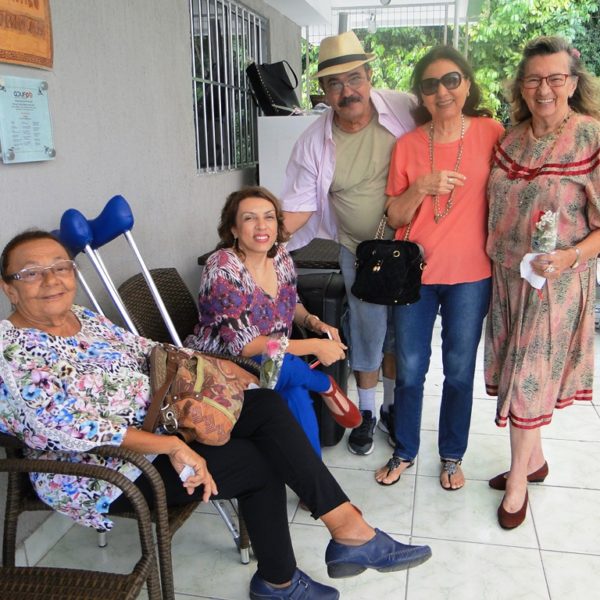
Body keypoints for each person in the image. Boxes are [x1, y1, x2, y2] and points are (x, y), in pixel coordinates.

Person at [0, 230, 432, 599]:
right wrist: (169, 446)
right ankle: (283, 579)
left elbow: (149, 350)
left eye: (60, 267)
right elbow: (67, 428)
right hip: (107, 470)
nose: (51, 280)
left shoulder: (82, 319)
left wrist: (215, 368)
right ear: (9, 289)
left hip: (165, 422)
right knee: (261, 462)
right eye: (31, 273)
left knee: (265, 404)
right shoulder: (13, 351)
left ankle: (345, 529)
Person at [281, 30, 415, 456]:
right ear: (324, 92)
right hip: (358, 251)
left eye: (354, 77)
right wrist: (256, 239)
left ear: (370, 76)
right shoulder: (312, 142)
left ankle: (392, 408)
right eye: (335, 83)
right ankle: (368, 411)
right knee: (367, 334)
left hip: (411, 252)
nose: (347, 90)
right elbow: (298, 208)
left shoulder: (404, 107)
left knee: (401, 337)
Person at [485, 36, 600, 529]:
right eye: (534, 79)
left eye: (555, 78)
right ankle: (534, 460)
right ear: (521, 86)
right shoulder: (509, 141)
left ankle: (517, 482)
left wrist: (571, 255)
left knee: (529, 378)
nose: (544, 89)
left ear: (573, 83)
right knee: (513, 371)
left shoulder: (592, 138)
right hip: (507, 280)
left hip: (557, 285)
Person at [375, 46, 503, 489]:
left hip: (472, 276)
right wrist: (422, 187)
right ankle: (404, 450)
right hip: (415, 277)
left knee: (460, 371)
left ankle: (452, 455)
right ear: (421, 95)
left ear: (467, 84)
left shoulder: (492, 132)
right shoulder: (408, 145)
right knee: (410, 370)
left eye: (451, 80)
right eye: (431, 85)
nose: (442, 91)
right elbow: (394, 215)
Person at [185, 186, 361, 458]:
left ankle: (314, 473)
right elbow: (246, 347)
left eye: (268, 217)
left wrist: (313, 322)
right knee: (284, 366)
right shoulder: (222, 268)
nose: (261, 226)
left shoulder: (279, 257)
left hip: (273, 362)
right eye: (249, 218)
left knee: (294, 390)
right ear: (233, 229)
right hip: (224, 366)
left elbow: (292, 304)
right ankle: (324, 384)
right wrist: (315, 346)